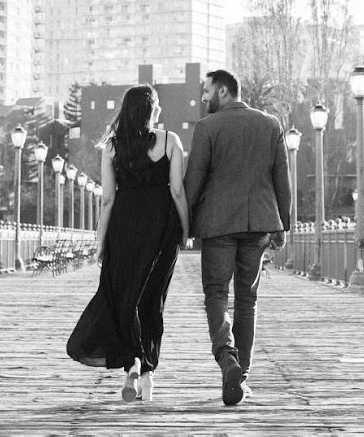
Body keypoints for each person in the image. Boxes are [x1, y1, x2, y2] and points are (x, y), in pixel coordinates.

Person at [67, 84, 191, 402]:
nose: (159, 109)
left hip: (124, 227)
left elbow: (108, 200)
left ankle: (133, 362)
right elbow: (178, 191)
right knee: (152, 299)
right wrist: (186, 230)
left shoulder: (112, 146)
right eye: (157, 104)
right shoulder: (171, 140)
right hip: (162, 228)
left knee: (126, 296)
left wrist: (100, 242)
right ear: (151, 109)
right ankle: (147, 375)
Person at [183, 68, 291, 406]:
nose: (204, 98)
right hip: (259, 224)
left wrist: (184, 227)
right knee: (247, 300)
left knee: (216, 293)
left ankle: (227, 358)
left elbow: (193, 182)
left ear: (223, 91)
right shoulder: (270, 124)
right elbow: (282, 179)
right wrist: (283, 225)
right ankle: (240, 376)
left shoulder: (207, 128)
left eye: (207, 91)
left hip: (218, 225)